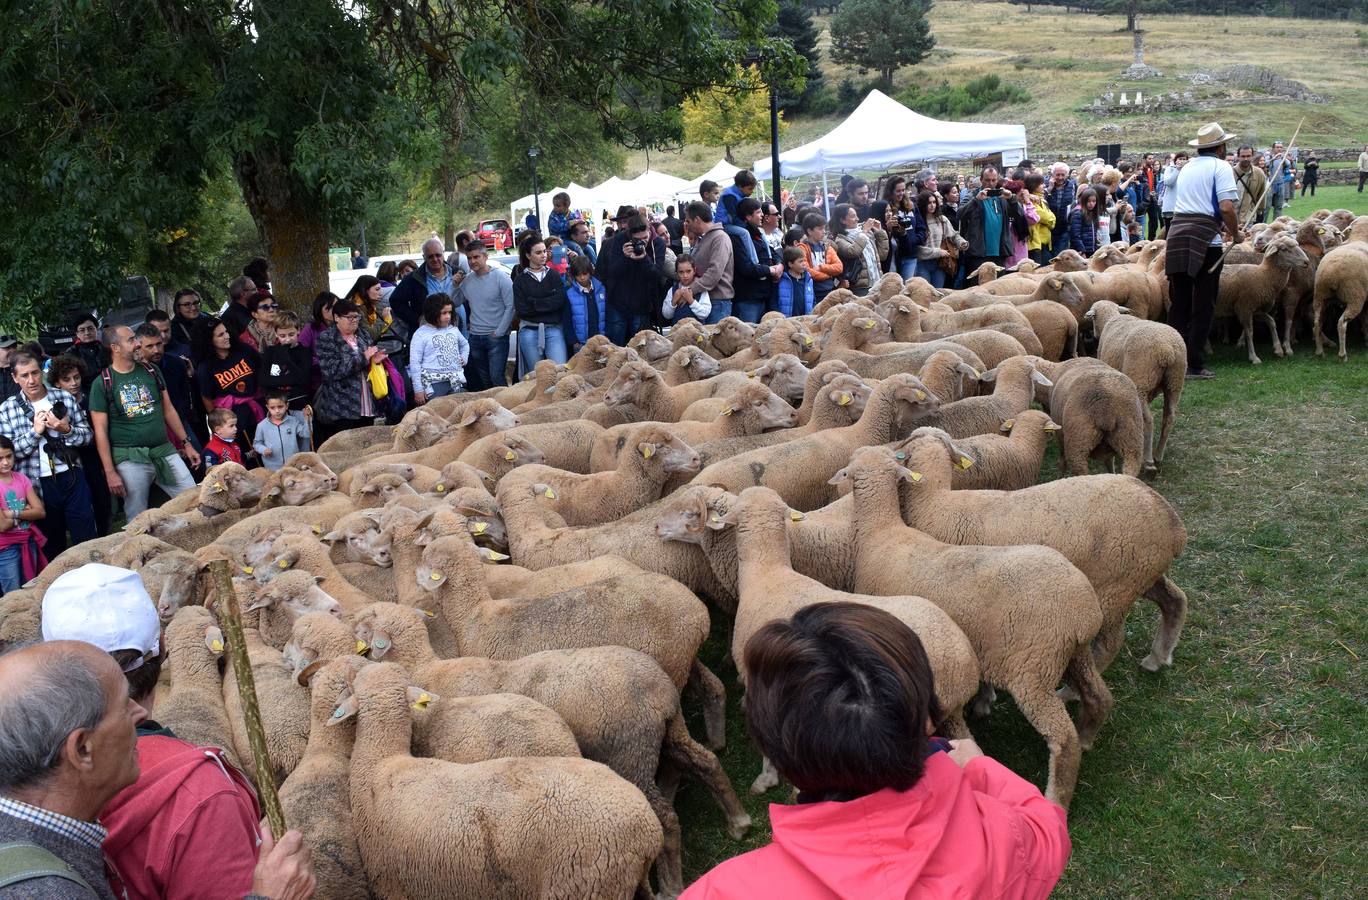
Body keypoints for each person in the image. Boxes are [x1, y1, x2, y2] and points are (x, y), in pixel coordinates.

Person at [682, 602, 1070, 899]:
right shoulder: (1005, 840)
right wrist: (979, 769)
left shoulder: (725, 890)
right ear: (928, 722)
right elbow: (1048, 828)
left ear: (772, 750)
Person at [4, 596, 314, 899]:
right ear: (82, 749)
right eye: (123, 706)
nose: (139, 713)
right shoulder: (43, 890)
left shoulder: (45, 844)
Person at [89, 326, 199, 521]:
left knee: (194, 500)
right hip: (129, 457)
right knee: (137, 517)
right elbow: (101, 432)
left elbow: (168, 410)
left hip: (164, 450)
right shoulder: (102, 383)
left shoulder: (151, 370)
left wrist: (186, 443)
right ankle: (139, 551)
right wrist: (110, 472)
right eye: (131, 340)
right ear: (115, 347)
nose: (138, 343)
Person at [0, 350, 95, 560]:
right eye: (24, 375)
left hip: (71, 474)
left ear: (41, 372)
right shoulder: (6, 409)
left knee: (86, 536)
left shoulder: (63, 397)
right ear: (15, 378)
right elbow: (9, 456)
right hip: (35, 484)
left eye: (35, 373)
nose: (31, 380)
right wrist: (35, 432)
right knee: (52, 545)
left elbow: (88, 436)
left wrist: (65, 430)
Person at [1166, 122, 1241, 381]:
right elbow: (1227, 207)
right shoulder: (1221, 167)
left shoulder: (1186, 167)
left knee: (1180, 303)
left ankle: (1172, 361)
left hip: (1177, 234)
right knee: (1204, 304)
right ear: (1221, 147)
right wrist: (1237, 232)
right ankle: (1194, 364)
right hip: (1206, 239)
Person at [47, 355, 112, 537]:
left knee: (102, 499)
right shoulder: (55, 405)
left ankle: (105, 532)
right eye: (66, 379)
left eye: (76, 377)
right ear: (57, 383)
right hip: (71, 460)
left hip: (94, 455)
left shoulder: (91, 397)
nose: (74, 383)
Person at [313, 299, 381, 445]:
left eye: (356, 317)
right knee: (347, 447)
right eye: (349, 317)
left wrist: (376, 360)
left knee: (368, 445)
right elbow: (332, 371)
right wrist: (363, 358)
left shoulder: (363, 334)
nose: (354, 320)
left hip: (367, 401)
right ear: (336, 317)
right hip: (342, 406)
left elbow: (368, 361)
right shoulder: (326, 339)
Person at [600, 207, 669, 344]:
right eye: (638, 239)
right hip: (618, 303)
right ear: (630, 235)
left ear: (649, 230)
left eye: (645, 237)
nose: (642, 242)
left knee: (639, 347)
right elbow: (611, 272)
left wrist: (643, 258)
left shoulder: (658, 244)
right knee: (616, 347)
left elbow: (656, 275)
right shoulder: (619, 240)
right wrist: (626, 257)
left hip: (642, 305)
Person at [134, 323, 204, 457]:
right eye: (149, 346)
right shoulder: (134, 373)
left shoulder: (176, 363)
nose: (156, 350)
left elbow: (184, 396)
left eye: (159, 344)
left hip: (180, 422)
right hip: (153, 430)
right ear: (138, 346)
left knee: (198, 460)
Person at [454, 240, 515, 392]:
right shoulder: (467, 280)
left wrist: (500, 332)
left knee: (497, 377)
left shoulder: (501, 277)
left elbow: (511, 306)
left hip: (496, 336)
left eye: (476, 257)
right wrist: (454, 285)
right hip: (475, 336)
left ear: (485, 256)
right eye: (469, 258)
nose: (472, 261)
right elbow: (454, 302)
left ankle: (506, 408)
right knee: (484, 380)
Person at [193, 319, 263, 446]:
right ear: (209, 340)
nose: (227, 336)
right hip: (232, 420)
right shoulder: (205, 367)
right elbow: (207, 399)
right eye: (220, 335)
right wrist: (220, 425)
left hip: (258, 408)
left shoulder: (244, 350)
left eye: (226, 332)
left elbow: (262, 371)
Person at [512, 236, 568, 369]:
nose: (543, 255)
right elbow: (521, 310)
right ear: (528, 255)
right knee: (537, 375)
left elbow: (559, 301)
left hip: (553, 328)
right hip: (529, 331)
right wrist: (548, 302)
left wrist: (533, 302)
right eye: (538, 252)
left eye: (544, 251)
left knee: (560, 370)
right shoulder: (520, 280)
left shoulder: (554, 275)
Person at [389, 238, 466, 332]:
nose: (435, 259)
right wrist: (416, 318)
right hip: (429, 336)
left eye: (438, 255)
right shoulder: (414, 278)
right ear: (424, 257)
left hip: (459, 331)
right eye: (430, 256)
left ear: (443, 253)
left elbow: (470, 297)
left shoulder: (458, 272)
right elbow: (395, 301)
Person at [0, 435, 45, 591]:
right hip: (5, 548)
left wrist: (11, 513)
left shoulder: (21, 478)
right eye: (0, 458)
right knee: (12, 593)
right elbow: (3, 526)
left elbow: (40, 512)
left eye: (8, 456)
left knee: (32, 587)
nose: (5, 462)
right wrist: (26, 512)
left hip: (28, 540)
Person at [680, 201, 735, 325]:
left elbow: (714, 273)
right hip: (704, 300)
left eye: (688, 221)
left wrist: (690, 290)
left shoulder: (720, 238)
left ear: (697, 219)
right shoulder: (703, 239)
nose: (686, 225)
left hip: (717, 302)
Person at [409, 293, 469, 403]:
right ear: (432, 313)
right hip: (434, 385)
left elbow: (465, 344)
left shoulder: (453, 329)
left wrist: (464, 357)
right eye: (444, 313)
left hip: (456, 382)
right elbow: (415, 363)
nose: (448, 316)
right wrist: (418, 389)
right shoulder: (421, 334)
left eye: (450, 312)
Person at [730, 198, 782, 324]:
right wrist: (769, 270)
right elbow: (745, 267)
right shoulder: (738, 238)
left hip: (765, 295)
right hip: (748, 298)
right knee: (747, 337)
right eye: (758, 212)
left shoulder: (758, 233)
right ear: (748, 216)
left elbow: (773, 253)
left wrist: (780, 265)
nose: (762, 215)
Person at [259, 310, 315, 423]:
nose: (287, 339)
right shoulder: (270, 352)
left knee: (304, 438)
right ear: (276, 333)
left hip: (300, 406)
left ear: (298, 330)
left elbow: (303, 379)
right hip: (276, 408)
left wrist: (287, 360)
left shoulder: (305, 352)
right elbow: (263, 380)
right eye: (282, 336)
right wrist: (291, 380)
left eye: (291, 334)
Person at [913, 191, 969, 290]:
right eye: (929, 203)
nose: (932, 205)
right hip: (923, 263)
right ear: (922, 204)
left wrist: (962, 242)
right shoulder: (917, 222)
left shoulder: (942, 219)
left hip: (940, 263)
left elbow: (953, 235)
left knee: (938, 292)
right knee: (924, 292)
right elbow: (915, 247)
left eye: (934, 202)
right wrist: (937, 251)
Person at [253, 391, 312, 469]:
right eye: (272, 408)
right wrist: (263, 449)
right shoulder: (262, 425)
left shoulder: (293, 421)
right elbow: (256, 443)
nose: (277, 411)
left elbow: (306, 434)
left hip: (294, 465)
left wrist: (307, 420)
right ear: (267, 407)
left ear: (287, 406)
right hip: (272, 467)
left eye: (280, 406)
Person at [829, 203, 878, 295]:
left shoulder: (863, 234)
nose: (857, 219)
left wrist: (880, 232)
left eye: (857, 215)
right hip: (860, 287)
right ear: (843, 220)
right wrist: (864, 232)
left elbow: (882, 255)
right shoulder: (840, 239)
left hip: (876, 281)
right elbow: (853, 252)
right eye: (853, 216)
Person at [563, 255, 606, 353]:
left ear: (590, 272)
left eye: (585, 274)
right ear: (574, 275)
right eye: (578, 275)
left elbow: (607, 314)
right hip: (581, 343)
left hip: (601, 340)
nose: (582, 277)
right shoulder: (569, 293)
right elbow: (567, 319)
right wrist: (573, 341)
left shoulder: (602, 289)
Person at [798, 213, 842, 305]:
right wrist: (829, 274)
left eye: (824, 228)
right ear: (809, 231)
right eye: (820, 229)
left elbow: (839, 267)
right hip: (812, 293)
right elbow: (807, 271)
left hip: (829, 290)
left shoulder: (826, 247)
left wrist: (821, 267)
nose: (824, 231)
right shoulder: (802, 248)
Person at [660, 255, 712, 325]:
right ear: (677, 273)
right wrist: (673, 302)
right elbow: (666, 315)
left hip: (697, 333)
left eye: (688, 271)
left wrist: (691, 301)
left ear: (694, 271)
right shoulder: (672, 290)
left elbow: (704, 314)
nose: (685, 276)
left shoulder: (701, 290)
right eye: (681, 272)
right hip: (678, 332)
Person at [342, 275, 395, 341]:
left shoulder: (367, 305)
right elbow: (370, 335)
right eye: (377, 289)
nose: (381, 293)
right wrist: (385, 320)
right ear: (365, 290)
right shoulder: (356, 309)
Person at [71, 315, 109, 396]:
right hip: (87, 395)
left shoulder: (107, 349)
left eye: (90, 328)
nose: (87, 333)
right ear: (77, 334)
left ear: (97, 329)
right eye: (82, 330)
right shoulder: (71, 354)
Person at [1044, 162, 1076, 260]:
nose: (1060, 177)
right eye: (1057, 175)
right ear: (1052, 175)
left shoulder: (1072, 186)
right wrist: (1049, 188)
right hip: (1048, 227)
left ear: (1067, 175)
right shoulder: (1045, 185)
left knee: (1060, 256)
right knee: (1048, 257)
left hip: (1064, 227)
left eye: (1063, 175)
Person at [1024, 174, 1057, 266]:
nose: (1044, 186)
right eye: (1041, 184)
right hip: (1035, 244)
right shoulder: (1029, 200)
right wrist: (1050, 220)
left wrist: (1050, 220)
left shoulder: (1042, 200)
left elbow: (1052, 219)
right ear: (1033, 185)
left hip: (1045, 243)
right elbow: (1043, 216)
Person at [774, 246, 815, 318]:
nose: (804, 264)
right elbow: (774, 302)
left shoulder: (808, 280)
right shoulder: (781, 280)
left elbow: (813, 299)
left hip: (805, 319)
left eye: (804, 261)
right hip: (786, 321)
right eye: (800, 261)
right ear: (790, 264)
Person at [1233, 146, 1268, 224]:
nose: (1246, 159)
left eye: (1248, 156)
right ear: (1238, 157)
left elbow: (1262, 195)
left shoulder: (1259, 173)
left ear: (1252, 156)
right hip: (1231, 220)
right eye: (1243, 156)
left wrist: (1260, 213)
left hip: (1248, 219)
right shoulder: (1230, 173)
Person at [299, 292, 337, 363]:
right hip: (316, 371)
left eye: (337, 306)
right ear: (320, 309)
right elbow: (301, 353)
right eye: (330, 307)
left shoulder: (341, 327)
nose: (335, 310)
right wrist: (321, 362)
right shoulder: (310, 328)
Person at [1068, 186, 1104, 258]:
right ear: (1084, 201)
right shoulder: (1078, 213)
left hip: (1091, 249)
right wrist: (1081, 250)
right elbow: (1075, 235)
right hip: (1082, 251)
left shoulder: (1092, 213)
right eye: (1088, 201)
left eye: (1094, 201)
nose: (1091, 204)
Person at [219, 275, 257, 341]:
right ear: (243, 294)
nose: (257, 292)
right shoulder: (229, 317)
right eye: (254, 290)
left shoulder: (252, 309)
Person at [1158, 152, 1188, 234]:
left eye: (1184, 159)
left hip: (1184, 208)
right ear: (1175, 160)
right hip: (1171, 207)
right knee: (1170, 233)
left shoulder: (1189, 171)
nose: (1182, 161)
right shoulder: (1170, 169)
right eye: (1180, 159)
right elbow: (1168, 182)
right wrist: (1177, 170)